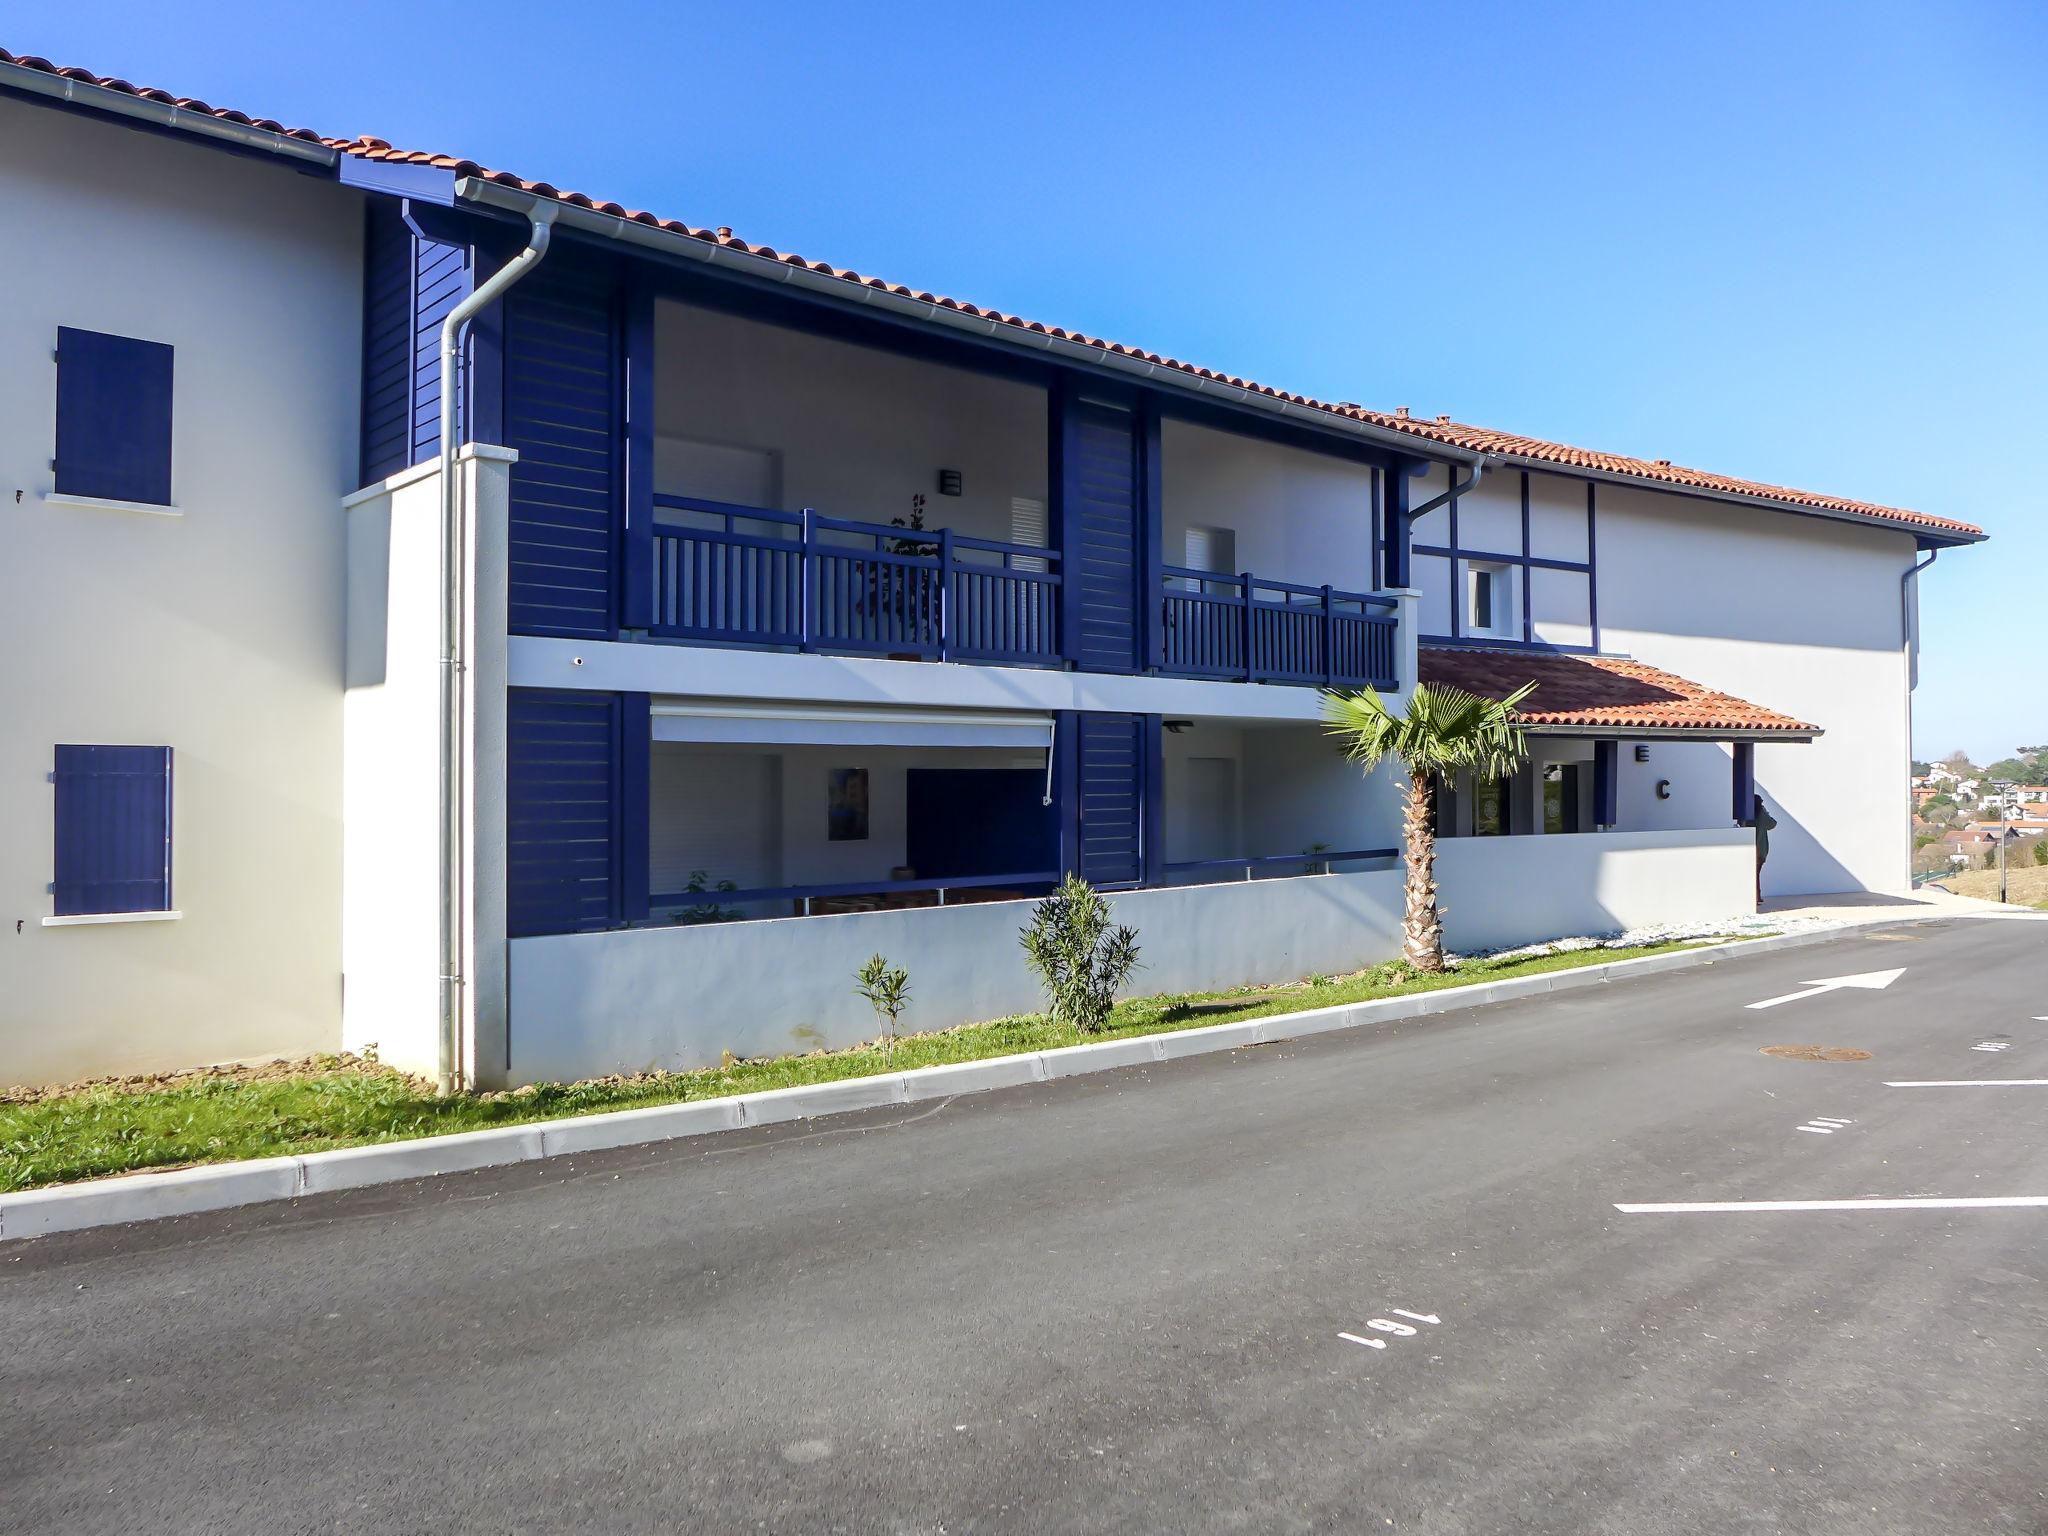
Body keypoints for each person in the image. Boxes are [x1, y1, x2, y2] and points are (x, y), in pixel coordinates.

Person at [1750, 792, 1777, 905]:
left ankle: (1757, 896)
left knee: (1753, 874)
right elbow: (1772, 824)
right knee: (1755, 874)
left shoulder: (1748, 815)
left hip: (1749, 849)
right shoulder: (1761, 814)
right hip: (1760, 850)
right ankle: (1756, 897)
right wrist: (1766, 812)